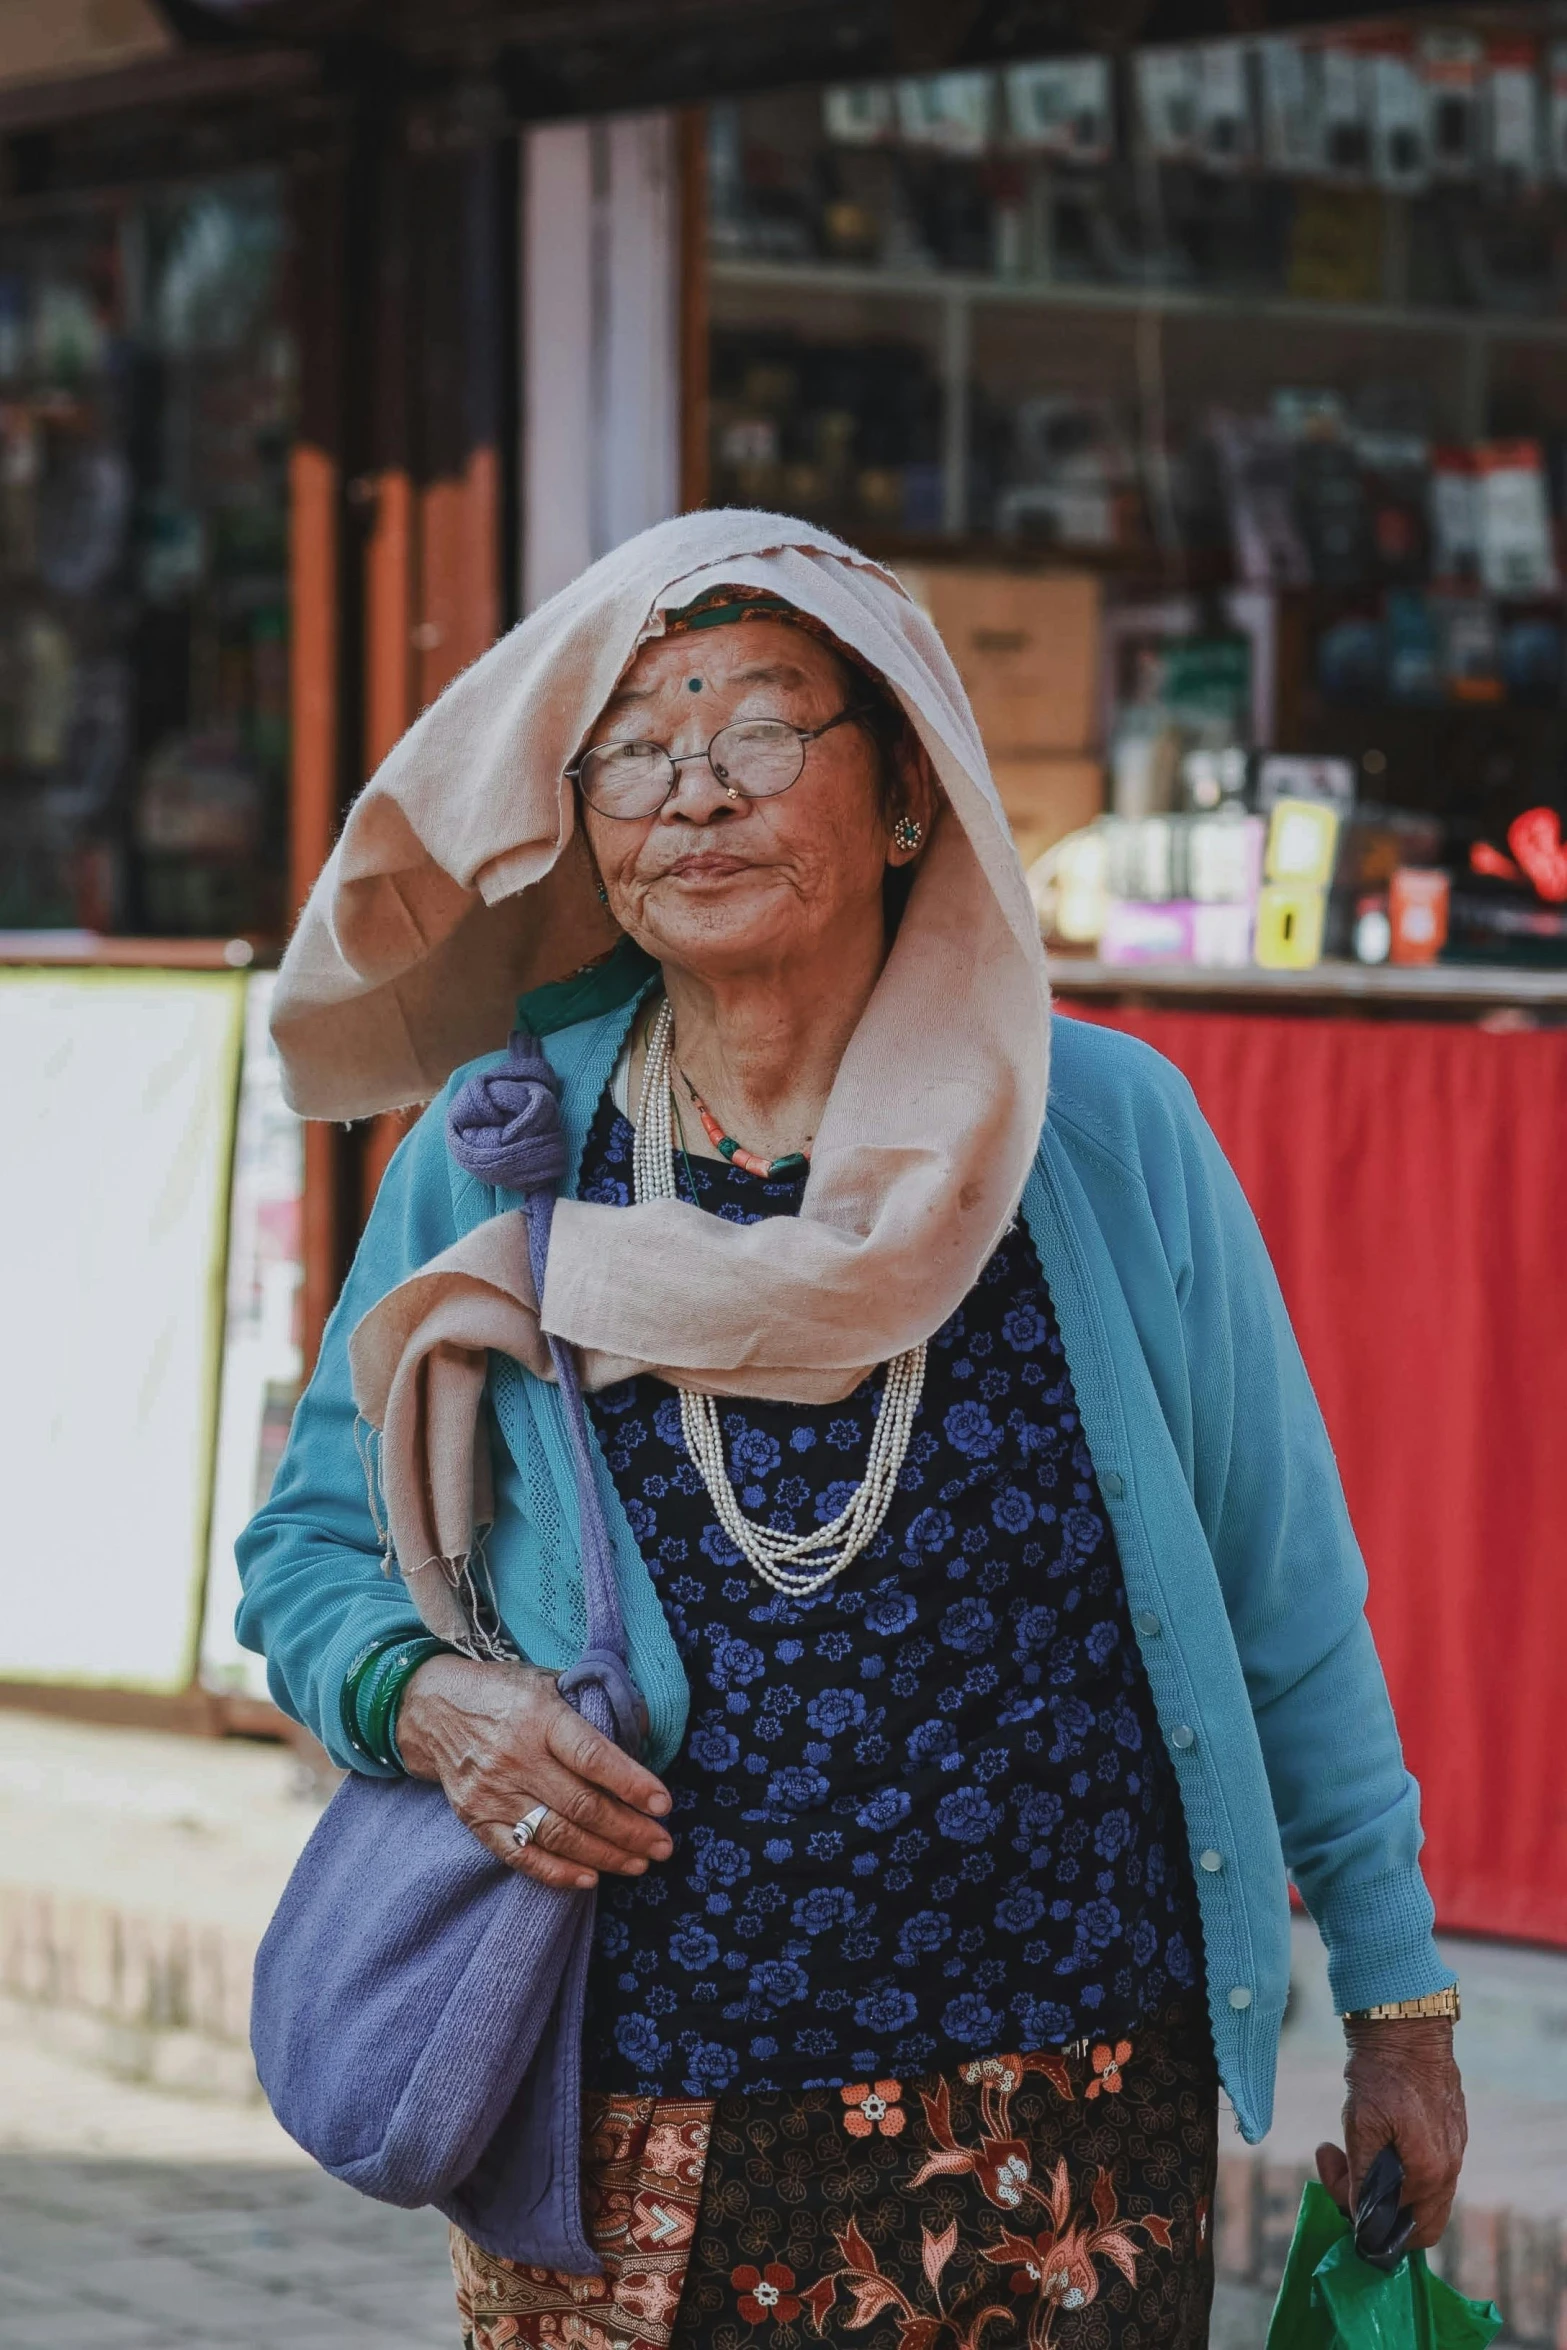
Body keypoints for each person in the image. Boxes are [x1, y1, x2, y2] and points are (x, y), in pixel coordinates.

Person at [239, 511, 1465, 2350]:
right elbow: (308, 1556)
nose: (694, 791)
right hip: (635, 2106)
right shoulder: (506, 1152)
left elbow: (1284, 1592)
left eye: (755, 728)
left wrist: (1396, 2004)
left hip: (1064, 2114)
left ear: (906, 793)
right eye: (637, 745)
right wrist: (429, 1699)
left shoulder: (1097, 1133)